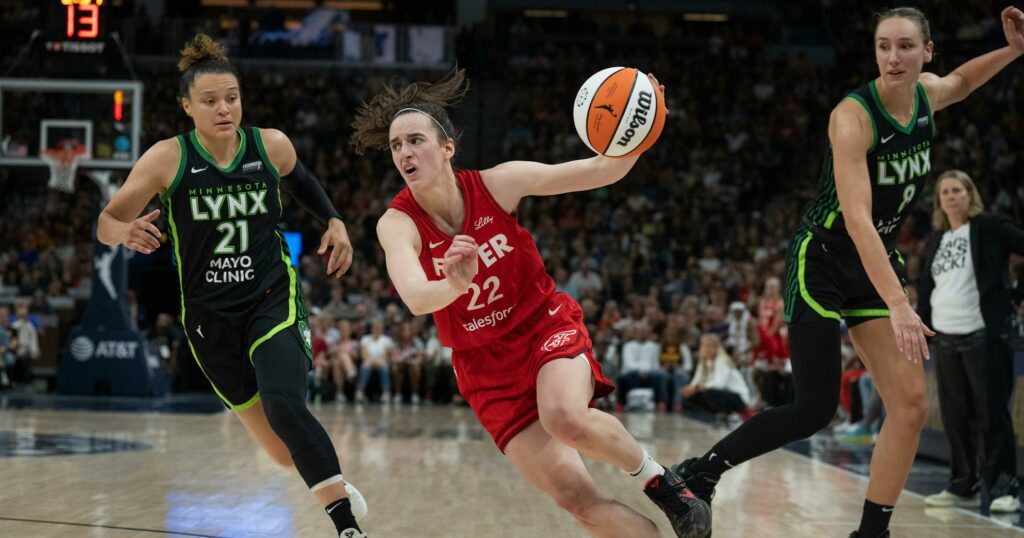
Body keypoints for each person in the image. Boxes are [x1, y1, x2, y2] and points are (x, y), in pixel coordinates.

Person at [672, 7, 1024, 538]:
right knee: (813, 408)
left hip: (874, 259)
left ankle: (870, 533)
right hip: (825, 258)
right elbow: (857, 220)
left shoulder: (927, 96)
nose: (892, 57)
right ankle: (700, 474)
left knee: (908, 406)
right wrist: (901, 304)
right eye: (884, 45)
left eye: (906, 46)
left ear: (927, 51)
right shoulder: (853, 116)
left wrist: (1015, 50)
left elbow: (964, 81)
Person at [353, 68, 710, 537]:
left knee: (564, 417)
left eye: (415, 140)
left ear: (447, 148)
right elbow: (418, 299)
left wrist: (644, 124)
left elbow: (601, 169)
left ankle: (665, 485)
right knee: (576, 500)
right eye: (396, 146)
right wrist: (455, 285)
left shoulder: (499, 184)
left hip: (542, 325)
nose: (404, 153)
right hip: (484, 367)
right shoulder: (396, 223)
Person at [96, 34, 367, 538]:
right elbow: (106, 221)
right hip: (208, 318)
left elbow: (302, 180)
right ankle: (323, 475)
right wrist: (123, 232)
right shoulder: (166, 158)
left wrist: (334, 220)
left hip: (270, 297)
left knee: (285, 403)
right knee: (283, 455)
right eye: (210, 101)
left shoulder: (270, 145)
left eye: (232, 98)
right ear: (187, 107)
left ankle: (346, 525)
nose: (224, 108)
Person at [918, 170, 1024, 512]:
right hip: (946, 338)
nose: (951, 196)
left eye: (957, 190)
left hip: (983, 335)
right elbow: (926, 285)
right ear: (939, 201)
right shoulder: (935, 238)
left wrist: (1016, 293)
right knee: (956, 415)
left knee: (992, 415)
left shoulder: (989, 227)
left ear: (970, 194)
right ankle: (963, 483)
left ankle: (1004, 488)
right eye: (945, 191)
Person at [680, 334, 752, 424]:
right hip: (722, 394)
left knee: (710, 392)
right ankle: (713, 415)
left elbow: (719, 384)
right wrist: (689, 389)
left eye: (711, 346)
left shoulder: (722, 360)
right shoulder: (704, 361)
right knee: (689, 394)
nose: (708, 349)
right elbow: (695, 381)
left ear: (717, 347)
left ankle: (730, 414)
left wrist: (697, 387)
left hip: (738, 398)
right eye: (705, 346)